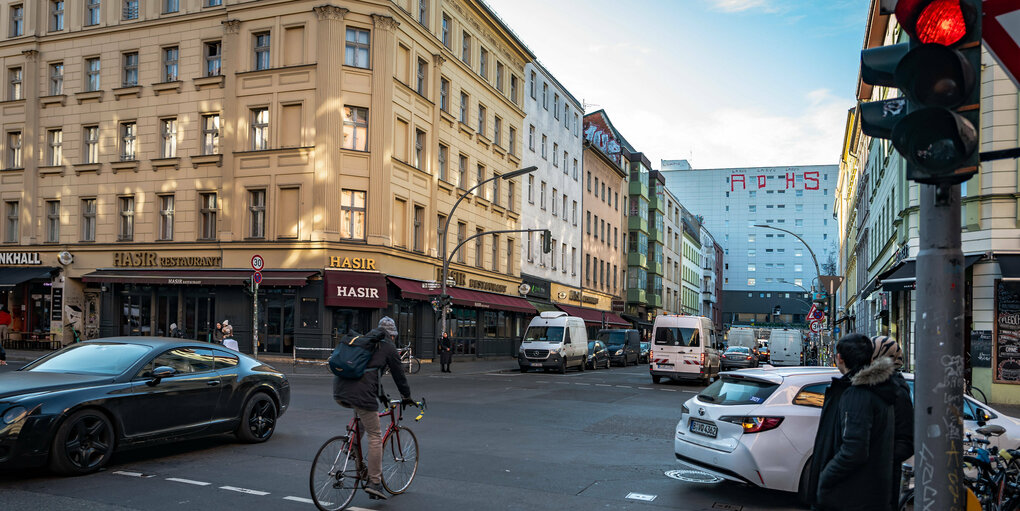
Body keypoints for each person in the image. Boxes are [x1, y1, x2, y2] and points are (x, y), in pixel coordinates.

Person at [807, 333, 898, 511]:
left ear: (839, 358)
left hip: (850, 495)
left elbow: (854, 450)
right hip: (869, 492)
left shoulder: (857, 394)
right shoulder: (878, 389)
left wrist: (826, 477)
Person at [333, 316, 413, 500]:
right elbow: (399, 375)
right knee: (375, 435)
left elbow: (370, 373)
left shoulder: (365, 341)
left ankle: (352, 446)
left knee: (363, 416)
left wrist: (382, 396)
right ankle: (375, 482)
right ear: (392, 335)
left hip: (340, 389)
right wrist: (406, 396)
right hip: (361, 393)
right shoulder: (388, 347)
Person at [871, 335, 914, 510]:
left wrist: (880, 459)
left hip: (884, 475)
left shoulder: (895, 390)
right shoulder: (882, 384)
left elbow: (905, 441)